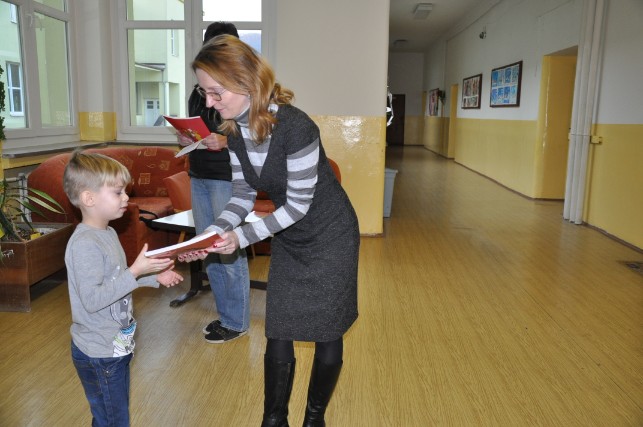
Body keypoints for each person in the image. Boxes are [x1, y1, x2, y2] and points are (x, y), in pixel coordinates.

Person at [185, 35, 360, 426]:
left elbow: (298, 205)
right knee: (279, 328)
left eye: (216, 92)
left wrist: (241, 238)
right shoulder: (235, 132)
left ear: (246, 82)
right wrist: (214, 233)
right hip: (291, 235)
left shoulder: (296, 127)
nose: (209, 103)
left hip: (330, 234)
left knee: (327, 329)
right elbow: (242, 195)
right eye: (204, 92)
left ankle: (314, 419)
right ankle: (274, 419)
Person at [63, 150, 183, 427]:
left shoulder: (107, 233)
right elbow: (93, 299)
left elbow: (116, 282)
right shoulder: (85, 244)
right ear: (89, 199)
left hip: (115, 346)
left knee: (110, 415)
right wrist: (135, 271)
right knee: (114, 419)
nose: (126, 198)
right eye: (118, 192)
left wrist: (154, 278)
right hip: (99, 352)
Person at [176, 21, 251, 344]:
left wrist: (226, 140)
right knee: (209, 249)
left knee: (228, 250)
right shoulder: (198, 91)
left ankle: (238, 321)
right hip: (199, 173)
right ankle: (227, 316)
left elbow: (256, 136)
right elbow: (196, 128)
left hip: (228, 178)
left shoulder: (244, 88)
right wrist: (184, 137)